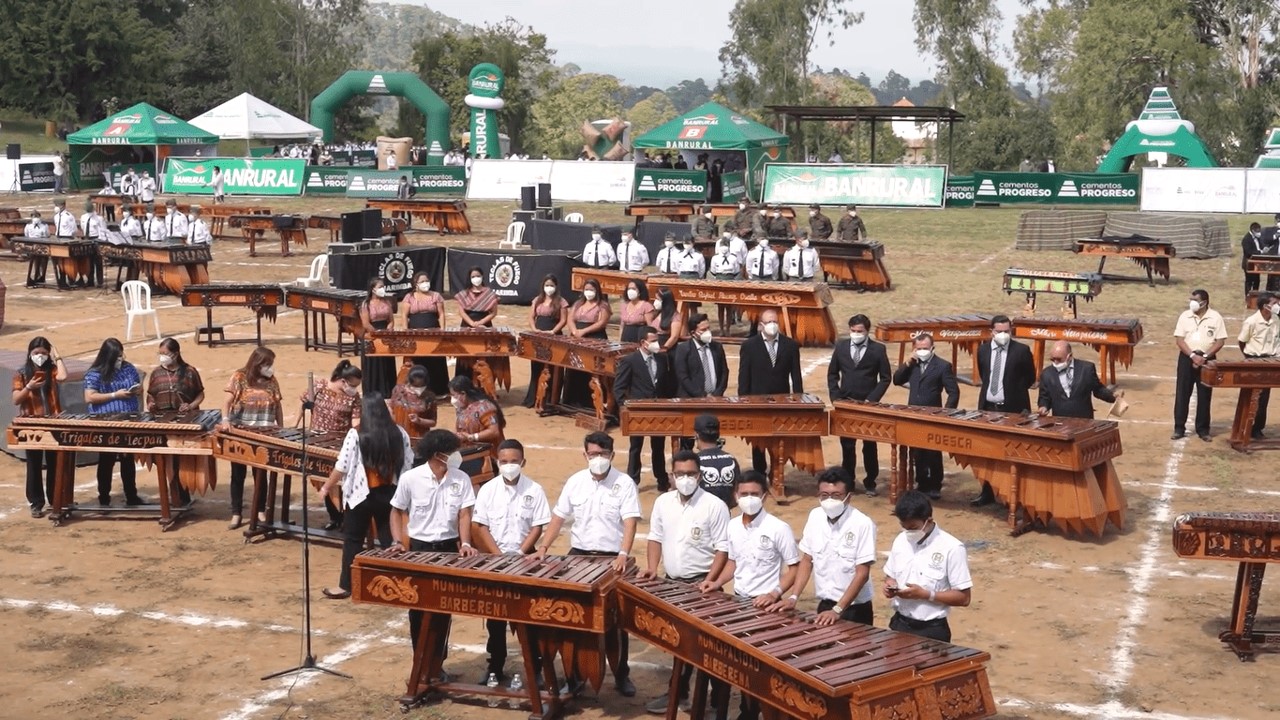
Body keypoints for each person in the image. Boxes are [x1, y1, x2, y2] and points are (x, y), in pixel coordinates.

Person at [534, 432, 642, 697]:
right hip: (579, 556)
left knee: (617, 619)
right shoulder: (575, 482)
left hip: (611, 560)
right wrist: (544, 547)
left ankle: (621, 674)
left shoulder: (624, 483)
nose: (598, 459)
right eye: (593, 454)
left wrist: (623, 553)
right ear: (585, 455)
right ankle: (574, 675)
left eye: (603, 455)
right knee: (573, 615)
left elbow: (630, 521)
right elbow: (559, 518)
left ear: (612, 456)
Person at [697, 470, 798, 720]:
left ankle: (756, 712)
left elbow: (793, 568)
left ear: (764, 496)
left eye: (754, 494)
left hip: (765, 609)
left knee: (761, 668)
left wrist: (774, 594)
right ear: (736, 495)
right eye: (744, 494)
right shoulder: (732, 526)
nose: (749, 498)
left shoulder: (778, 528)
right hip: (738, 604)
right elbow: (733, 562)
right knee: (738, 663)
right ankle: (743, 711)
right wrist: (717, 582)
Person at [638, 450, 730, 716]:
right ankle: (678, 693)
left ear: (699, 475)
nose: (685, 479)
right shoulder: (663, 502)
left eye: (690, 474)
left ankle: (715, 702)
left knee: (709, 649)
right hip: (672, 585)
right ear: (672, 475)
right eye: (680, 474)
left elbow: (722, 550)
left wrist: (710, 581)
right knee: (678, 644)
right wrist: (653, 568)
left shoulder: (714, 506)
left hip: (703, 586)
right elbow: (655, 537)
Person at [389, 429, 478, 664]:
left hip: (448, 548)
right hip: (420, 548)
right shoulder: (411, 479)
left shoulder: (461, 479)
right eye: (452, 452)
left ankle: (437, 662)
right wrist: (399, 541)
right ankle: (420, 659)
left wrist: (466, 542)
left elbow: (464, 514)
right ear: (439, 455)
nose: (456, 456)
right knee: (417, 606)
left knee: (442, 607)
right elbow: (397, 510)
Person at [471, 439, 551, 682]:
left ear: (523, 462)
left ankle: (535, 668)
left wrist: (519, 553)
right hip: (495, 560)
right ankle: (495, 665)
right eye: (504, 462)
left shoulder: (534, 490)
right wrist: (499, 557)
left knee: (529, 616)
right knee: (495, 618)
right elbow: (481, 526)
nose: (509, 466)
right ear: (497, 462)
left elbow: (537, 526)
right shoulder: (488, 490)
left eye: (514, 462)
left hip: (525, 560)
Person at [318, 393, 412, 600]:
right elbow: (408, 462)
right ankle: (397, 585)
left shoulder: (356, 434)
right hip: (390, 493)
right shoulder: (400, 433)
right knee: (390, 540)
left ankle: (346, 585)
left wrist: (326, 487)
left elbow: (341, 466)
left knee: (353, 539)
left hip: (361, 496)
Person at [769, 466, 876, 626]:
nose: (829, 500)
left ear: (848, 497)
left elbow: (862, 574)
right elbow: (807, 560)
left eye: (836, 495)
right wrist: (793, 597)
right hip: (825, 604)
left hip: (854, 608)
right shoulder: (815, 516)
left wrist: (838, 610)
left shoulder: (862, 524)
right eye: (824, 495)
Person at [883, 490, 972, 643]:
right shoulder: (900, 540)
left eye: (913, 527)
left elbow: (964, 598)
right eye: (904, 527)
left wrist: (926, 595)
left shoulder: (952, 548)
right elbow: (890, 575)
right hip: (900, 624)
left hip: (931, 631)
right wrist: (890, 586)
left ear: (928, 520)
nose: (908, 532)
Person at [972, 315, 1038, 506]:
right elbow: (985, 375)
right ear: (991, 331)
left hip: (1013, 410)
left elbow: (1030, 378)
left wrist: (1012, 394)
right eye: (999, 331)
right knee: (986, 452)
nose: (1003, 335)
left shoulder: (1022, 351)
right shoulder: (983, 350)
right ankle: (987, 492)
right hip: (988, 409)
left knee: (1013, 454)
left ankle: (1014, 495)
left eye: (1006, 331)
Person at [827, 314, 892, 496]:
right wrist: (836, 397)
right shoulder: (841, 347)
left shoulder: (878, 350)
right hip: (846, 404)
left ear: (867, 331)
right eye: (853, 331)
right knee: (847, 446)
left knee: (869, 445)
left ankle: (870, 480)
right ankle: (849, 481)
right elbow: (833, 374)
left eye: (860, 331)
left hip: (868, 405)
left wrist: (872, 399)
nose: (856, 334)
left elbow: (885, 378)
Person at [219, 347, 283, 529]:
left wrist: (280, 427)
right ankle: (236, 513)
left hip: (264, 433)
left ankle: (260, 510)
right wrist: (225, 420)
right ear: (258, 363)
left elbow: (277, 405)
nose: (270, 368)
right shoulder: (239, 377)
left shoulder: (272, 381)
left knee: (261, 475)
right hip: (241, 433)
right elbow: (227, 402)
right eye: (267, 364)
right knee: (237, 474)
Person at [892, 333, 959, 499]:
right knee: (917, 452)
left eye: (925, 348)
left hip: (933, 415)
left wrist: (946, 413)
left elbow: (953, 392)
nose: (922, 351)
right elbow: (897, 380)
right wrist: (907, 363)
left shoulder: (942, 366)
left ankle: (935, 484)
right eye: (919, 348)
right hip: (914, 414)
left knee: (933, 451)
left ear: (932, 348)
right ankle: (921, 483)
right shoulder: (912, 365)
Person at [738, 309, 803, 475]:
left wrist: (798, 400)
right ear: (761, 325)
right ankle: (760, 474)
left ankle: (776, 474)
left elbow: (796, 376)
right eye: (768, 322)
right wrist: (743, 401)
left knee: (779, 442)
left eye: (775, 321)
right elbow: (744, 376)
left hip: (781, 402)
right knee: (758, 443)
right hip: (756, 401)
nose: (772, 325)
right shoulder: (749, 346)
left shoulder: (790, 345)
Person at [83, 338, 145, 507]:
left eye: (121, 355)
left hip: (128, 419)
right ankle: (104, 497)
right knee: (106, 459)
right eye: (116, 356)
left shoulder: (128, 368)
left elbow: (138, 387)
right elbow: (90, 397)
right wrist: (114, 395)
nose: (120, 359)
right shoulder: (95, 373)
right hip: (106, 422)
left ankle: (131, 496)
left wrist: (137, 390)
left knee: (127, 458)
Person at [146, 338, 205, 505]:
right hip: (162, 422)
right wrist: (150, 404)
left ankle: (181, 497)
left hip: (184, 422)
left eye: (165, 353)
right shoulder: (156, 373)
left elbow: (200, 394)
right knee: (165, 461)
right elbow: (150, 394)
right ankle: (174, 496)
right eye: (160, 353)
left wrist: (192, 405)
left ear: (176, 353)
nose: (162, 357)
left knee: (181, 461)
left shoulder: (190, 372)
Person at [306, 359, 365, 529]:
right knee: (320, 478)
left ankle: (345, 518)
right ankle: (334, 517)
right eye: (353, 385)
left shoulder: (354, 398)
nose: (354, 389)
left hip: (340, 444)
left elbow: (355, 422)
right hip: (317, 442)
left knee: (338, 481)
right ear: (343, 381)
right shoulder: (319, 386)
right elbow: (305, 400)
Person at [13, 337, 68, 517]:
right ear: (30, 354)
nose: (40, 356)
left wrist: (57, 356)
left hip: (52, 423)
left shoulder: (51, 370)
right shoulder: (21, 373)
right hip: (31, 424)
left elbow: (63, 376)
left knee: (54, 463)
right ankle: (36, 502)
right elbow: (16, 400)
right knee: (34, 464)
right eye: (37, 353)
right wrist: (29, 387)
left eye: (44, 353)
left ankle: (54, 499)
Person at [614, 327, 671, 490]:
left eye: (656, 340)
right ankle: (633, 481)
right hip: (637, 411)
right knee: (636, 447)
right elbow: (619, 388)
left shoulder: (662, 359)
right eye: (653, 341)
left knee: (658, 446)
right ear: (642, 343)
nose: (656, 343)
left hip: (659, 409)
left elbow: (667, 383)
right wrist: (625, 407)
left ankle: (662, 480)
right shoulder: (630, 360)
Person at [1173, 289, 1227, 441]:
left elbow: (1220, 341)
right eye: (1191, 299)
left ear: (1204, 302)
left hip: (1207, 360)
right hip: (1186, 358)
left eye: (1195, 300)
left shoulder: (1215, 317)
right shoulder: (1185, 316)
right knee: (1182, 393)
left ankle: (1203, 429)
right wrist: (1192, 356)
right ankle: (1179, 428)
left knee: (1205, 395)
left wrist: (1204, 357)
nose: (1192, 302)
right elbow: (1179, 340)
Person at [1037, 341, 1118, 420]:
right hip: (1060, 422)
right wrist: (1043, 406)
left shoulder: (1086, 369)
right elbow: (1044, 397)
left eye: (1059, 359)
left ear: (1070, 356)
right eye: (1053, 359)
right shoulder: (1047, 374)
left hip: (1084, 421)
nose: (1055, 362)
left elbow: (1098, 390)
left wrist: (1112, 396)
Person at [523, 274, 570, 407]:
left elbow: (563, 320)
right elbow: (531, 317)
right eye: (547, 285)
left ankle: (550, 398)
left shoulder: (561, 302)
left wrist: (553, 331)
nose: (549, 288)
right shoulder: (537, 300)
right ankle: (533, 397)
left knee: (552, 367)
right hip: (538, 336)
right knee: (536, 366)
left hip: (554, 335)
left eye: (551, 285)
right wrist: (534, 329)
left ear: (556, 287)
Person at [1238, 292, 1280, 439]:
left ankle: (1257, 428)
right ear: (1265, 306)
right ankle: (1244, 426)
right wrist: (1249, 358)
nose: (1277, 305)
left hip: (1270, 361)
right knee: (1250, 395)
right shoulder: (1251, 321)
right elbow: (1242, 341)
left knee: (1264, 398)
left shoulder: (1276, 320)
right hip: (1254, 359)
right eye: (1274, 303)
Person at [402, 271, 449, 397]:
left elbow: (441, 314)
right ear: (416, 284)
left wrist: (442, 331)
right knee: (417, 360)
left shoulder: (436, 296)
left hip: (433, 332)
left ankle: (438, 391)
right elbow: (404, 315)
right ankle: (416, 388)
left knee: (435, 360)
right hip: (415, 334)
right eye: (422, 281)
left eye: (426, 281)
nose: (425, 283)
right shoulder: (409, 297)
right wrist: (406, 332)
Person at [449, 375, 506, 477]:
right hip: (471, 454)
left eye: (454, 395)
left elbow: (494, 431)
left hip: (490, 456)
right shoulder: (460, 408)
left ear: (463, 394)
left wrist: (471, 437)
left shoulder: (485, 408)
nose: (452, 399)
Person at [673, 313, 728, 399]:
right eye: (703, 329)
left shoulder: (717, 347)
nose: (708, 332)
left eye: (708, 328)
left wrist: (717, 393)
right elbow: (683, 377)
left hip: (716, 399)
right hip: (691, 399)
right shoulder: (683, 349)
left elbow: (724, 372)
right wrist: (702, 396)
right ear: (693, 333)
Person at [360, 277, 397, 397]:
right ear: (373, 289)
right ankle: (374, 391)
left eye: (383, 286)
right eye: (380, 287)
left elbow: (391, 320)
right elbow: (366, 324)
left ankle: (388, 390)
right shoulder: (366, 304)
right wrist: (377, 334)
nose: (383, 289)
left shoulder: (387, 302)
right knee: (375, 364)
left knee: (386, 363)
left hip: (385, 334)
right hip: (373, 335)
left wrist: (389, 329)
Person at [694, 414, 740, 507]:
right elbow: (736, 497)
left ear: (697, 435)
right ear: (718, 435)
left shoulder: (693, 462)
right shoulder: (732, 460)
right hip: (725, 517)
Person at [389, 364, 437, 447]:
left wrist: (419, 420)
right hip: (398, 438)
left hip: (418, 441)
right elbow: (391, 407)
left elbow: (433, 422)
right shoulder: (398, 390)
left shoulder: (430, 397)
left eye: (421, 386)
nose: (417, 388)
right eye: (415, 385)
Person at [708, 236, 743, 333]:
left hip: (730, 281)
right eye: (722, 245)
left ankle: (728, 329)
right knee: (720, 307)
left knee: (729, 307)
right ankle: (721, 329)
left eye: (726, 245)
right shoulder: (715, 258)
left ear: (729, 246)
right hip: (719, 280)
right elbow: (713, 271)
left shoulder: (733, 258)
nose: (724, 247)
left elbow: (736, 271)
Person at [1242, 222, 1273, 295]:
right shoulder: (1246, 239)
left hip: (1257, 263)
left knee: (1257, 280)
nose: (1259, 233)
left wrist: (1264, 248)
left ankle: (1255, 295)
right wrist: (1261, 252)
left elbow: (1261, 245)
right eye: (1258, 231)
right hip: (1248, 263)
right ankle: (1248, 295)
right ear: (1253, 230)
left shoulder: (1258, 238)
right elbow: (1249, 252)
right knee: (1249, 281)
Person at [653, 288, 684, 352]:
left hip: (665, 348)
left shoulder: (675, 316)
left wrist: (663, 348)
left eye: (658, 299)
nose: (656, 301)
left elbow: (674, 337)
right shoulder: (659, 313)